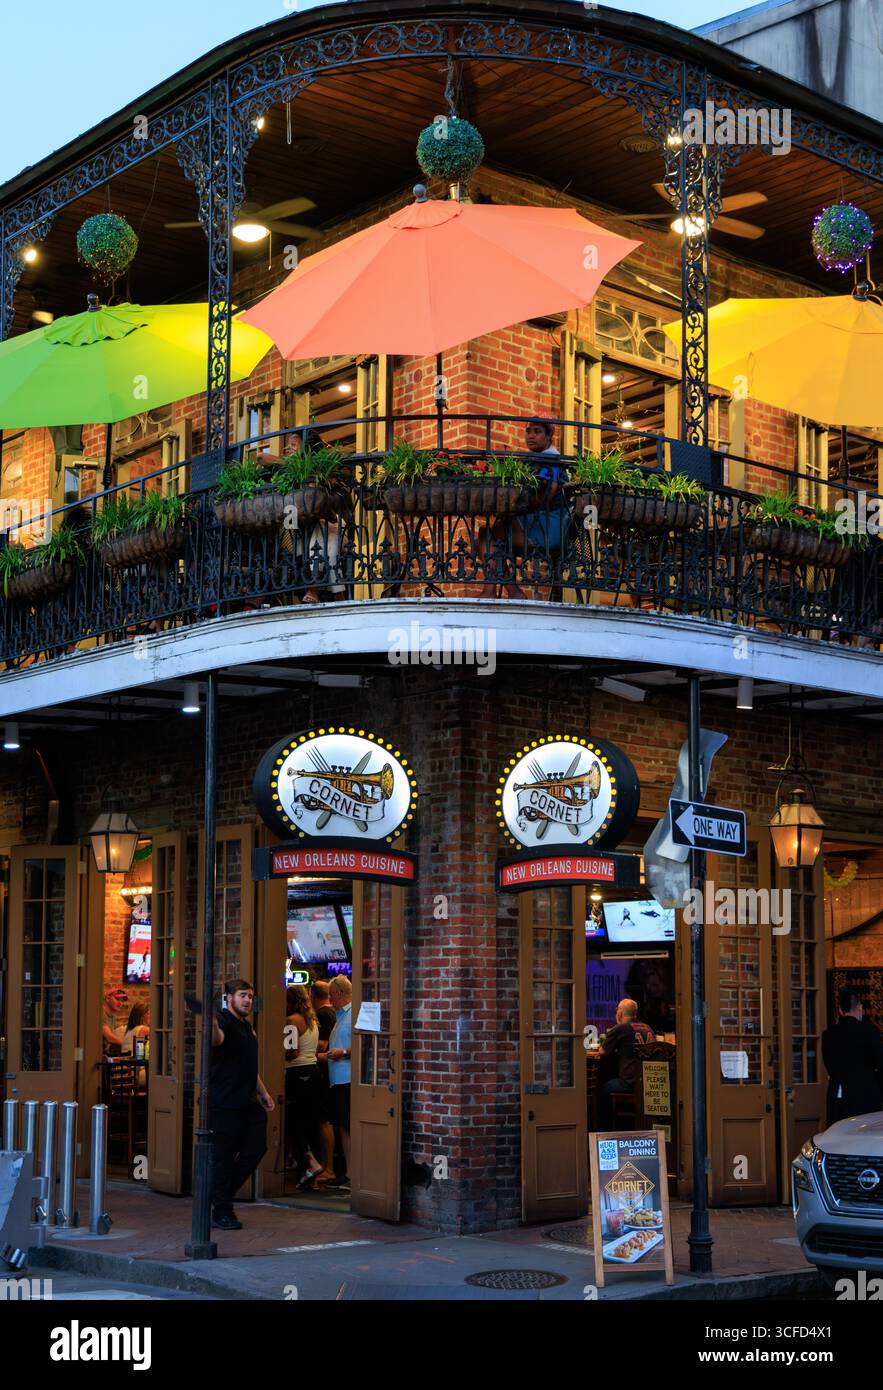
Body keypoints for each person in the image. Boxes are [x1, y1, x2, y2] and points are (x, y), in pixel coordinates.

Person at [209, 978, 275, 1231]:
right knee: (223, 1158)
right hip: (224, 1103)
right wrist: (212, 1022)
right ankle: (222, 1209)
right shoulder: (224, 1021)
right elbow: (216, 1040)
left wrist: (264, 1092)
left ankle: (218, 1194)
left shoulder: (247, 1027)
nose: (247, 1000)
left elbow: (249, 1065)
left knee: (257, 1147)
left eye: (249, 996)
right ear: (229, 998)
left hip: (247, 1102)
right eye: (242, 995)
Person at [480, 418, 565, 598]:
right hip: (536, 522)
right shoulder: (534, 460)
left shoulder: (551, 459)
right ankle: (511, 591)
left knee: (488, 536)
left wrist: (519, 503)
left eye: (537, 431)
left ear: (549, 436)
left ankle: (497, 590)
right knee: (490, 538)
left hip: (550, 527)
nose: (531, 436)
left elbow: (549, 492)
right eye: (528, 431)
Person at [284, 984, 333, 1187]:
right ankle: (316, 1167)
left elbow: (291, 1052)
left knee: (292, 1120)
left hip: (297, 1074)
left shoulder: (291, 1021)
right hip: (314, 1074)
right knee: (315, 1121)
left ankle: (307, 1162)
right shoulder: (312, 1021)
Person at [821, 988, 883, 1128]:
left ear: (840, 1011)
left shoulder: (829, 1034)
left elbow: (829, 1066)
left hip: (839, 1093)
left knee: (838, 1136)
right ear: (860, 1008)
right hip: (867, 1095)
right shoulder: (870, 1031)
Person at [597, 998, 655, 1129]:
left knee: (601, 1091)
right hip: (646, 1081)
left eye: (617, 1009)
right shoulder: (647, 1027)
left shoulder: (621, 1028)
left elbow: (602, 1051)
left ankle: (604, 1130)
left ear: (620, 1012)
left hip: (629, 1082)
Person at [326, 976, 353, 1189]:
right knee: (342, 1127)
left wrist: (342, 1052)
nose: (329, 998)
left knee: (347, 1127)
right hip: (338, 1080)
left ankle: (352, 1173)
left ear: (341, 994)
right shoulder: (340, 1015)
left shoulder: (352, 1015)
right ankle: (348, 1172)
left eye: (332, 995)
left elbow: (364, 1046)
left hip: (348, 1079)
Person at [311, 980, 338, 1178]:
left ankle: (328, 1167)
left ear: (313, 996)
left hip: (325, 1071)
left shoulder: (322, 1015)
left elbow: (323, 1045)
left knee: (324, 1120)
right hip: (334, 1072)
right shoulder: (336, 1013)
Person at [102, 987, 129, 1055]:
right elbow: (109, 1037)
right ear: (108, 998)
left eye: (122, 1000)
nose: (120, 1003)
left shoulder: (113, 1016)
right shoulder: (101, 1013)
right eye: (117, 999)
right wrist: (128, 1045)